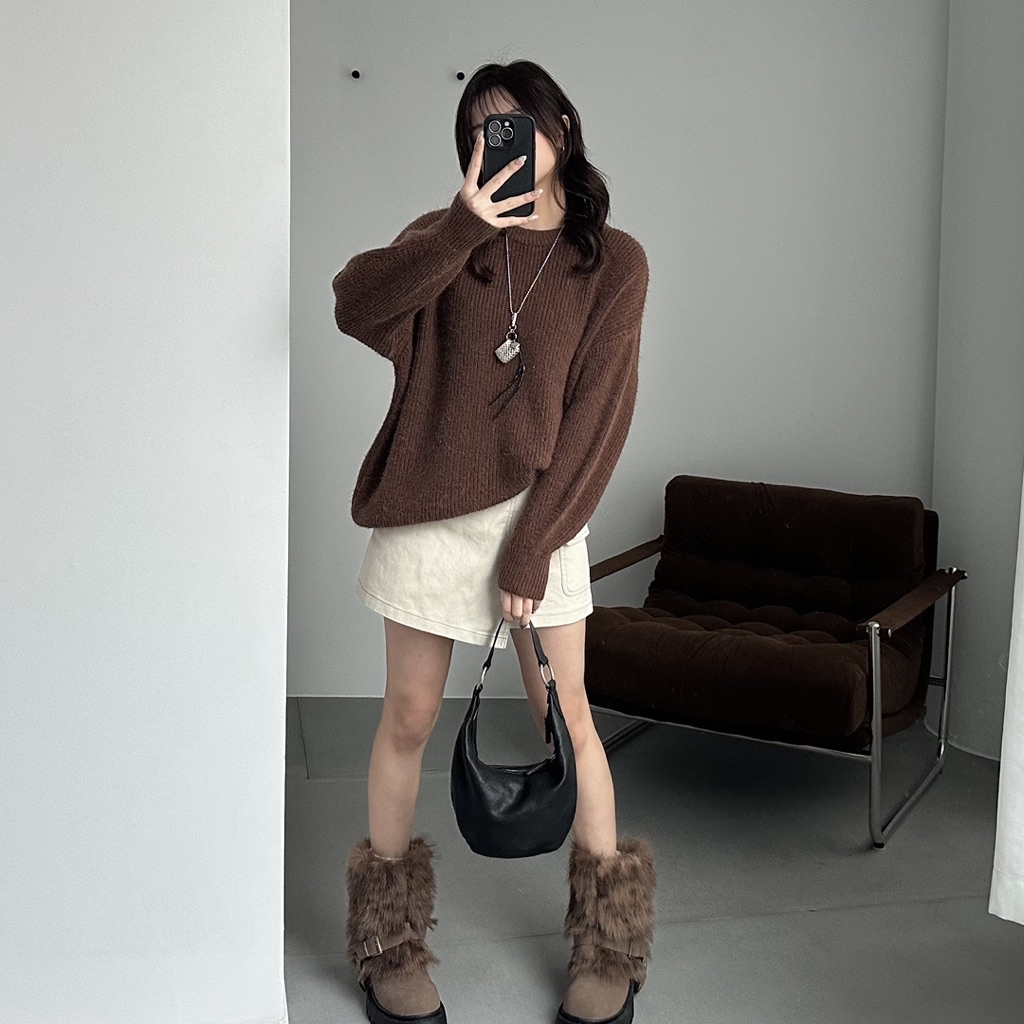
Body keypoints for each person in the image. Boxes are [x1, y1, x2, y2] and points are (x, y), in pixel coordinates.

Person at [332, 59, 656, 1024]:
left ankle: (609, 947)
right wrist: (463, 226)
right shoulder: (445, 238)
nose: (497, 141)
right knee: (407, 719)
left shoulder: (613, 262)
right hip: (429, 511)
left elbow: (598, 421)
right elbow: (355, 305)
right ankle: (387, 947)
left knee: (571, 721)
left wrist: (532, 549)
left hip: (542, 518)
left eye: (513, 123)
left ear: (562, 128)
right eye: (478, 130)